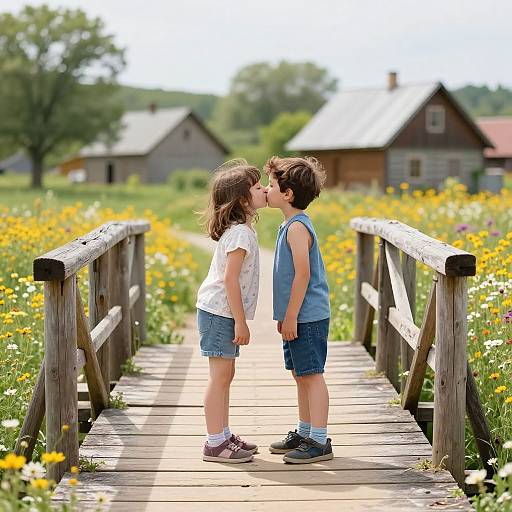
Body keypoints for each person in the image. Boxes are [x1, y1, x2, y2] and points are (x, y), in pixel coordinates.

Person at [197, 160, 267, 463]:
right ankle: (214, 442)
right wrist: (241, 322)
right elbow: (230, 280)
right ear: (242, 199)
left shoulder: (242, 230)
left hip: (220, 312)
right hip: (219, 313)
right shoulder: (239, 234)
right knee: (220, 377)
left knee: (226, 375)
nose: (264, 189)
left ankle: (223, 434)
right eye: (257, 187)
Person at [264, 156, 333, 463]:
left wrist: (291, 315)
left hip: (307, 316)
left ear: (287, 194)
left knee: (312, 375)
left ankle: (319, 440)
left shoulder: (296, 229)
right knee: (300, 373)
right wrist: (285, 315)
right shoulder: (289, 225)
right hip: (297, 315)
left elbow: (303, 275)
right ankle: (305, 432)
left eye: (271, 185)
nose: (266, 190)